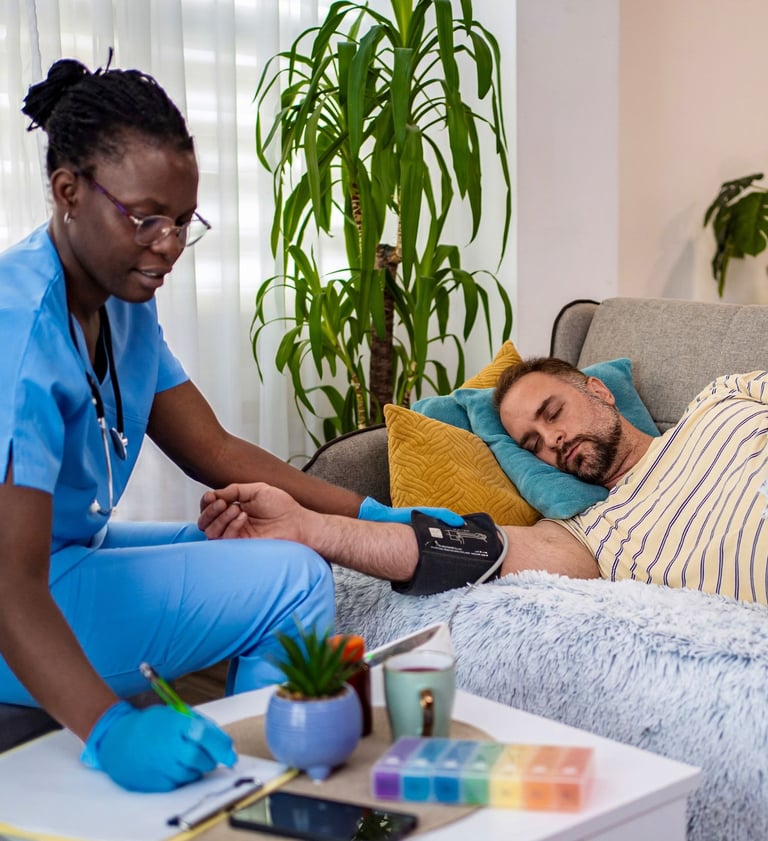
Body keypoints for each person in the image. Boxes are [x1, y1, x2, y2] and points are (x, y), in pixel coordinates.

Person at [0, 56, 458, 794]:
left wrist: (377, 515)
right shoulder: (18, 331)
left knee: (264, 543)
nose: (168, 245)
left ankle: (251, 773)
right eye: (145, 218)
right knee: (291, 580)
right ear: (67, 191)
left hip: (67, 558)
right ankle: (256, 791)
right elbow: (9, 581)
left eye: (184, 222)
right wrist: (109, 730)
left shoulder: (119, 299)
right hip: (18, 601)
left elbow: (212, 447)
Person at [199, 357, 768, 608]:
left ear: (599, 391)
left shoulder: (721, 399)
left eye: (553, 412)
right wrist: (310, 528)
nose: (552, 441)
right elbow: (463, 547)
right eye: (533, 444)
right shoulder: (592, 532)